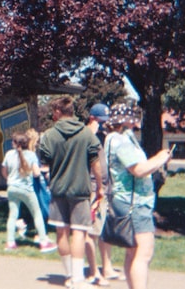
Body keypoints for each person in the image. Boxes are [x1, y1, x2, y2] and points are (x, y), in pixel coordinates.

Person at [39, 96, 104, 289]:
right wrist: (99, 187)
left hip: (58, 190)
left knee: (62, 231)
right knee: (79, 233)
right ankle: (77, 278)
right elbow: (96, 164)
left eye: (53, 111)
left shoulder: (49, 135)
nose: (52, 114)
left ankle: (69, 274)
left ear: (59, 111)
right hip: (81, 189)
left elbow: (45, 162)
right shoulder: (86, 134)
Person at [105, 103, 172, 289]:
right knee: (144, 253)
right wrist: (160, 158)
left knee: (133, 253)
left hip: (126, 201)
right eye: (133, 119)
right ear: (125, 120)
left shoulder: (116, 138)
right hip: (134, 204)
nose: (136, 123)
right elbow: (139, 170)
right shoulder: (120, 141)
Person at [84, 104, 123, 286]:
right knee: (92, 231)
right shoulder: (86, 136)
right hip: (93, 188)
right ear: (92, 118)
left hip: (105, 188)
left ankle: (107, 267)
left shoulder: (102, 137)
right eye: (101, 122)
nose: (104, 126)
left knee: (105, 230)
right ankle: (93, 272)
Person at [1, 132, 58, 253]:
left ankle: (10, 242)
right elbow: (36, 173)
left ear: (15, 144)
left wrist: (10, 179)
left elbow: (4, 171)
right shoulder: (31, 155)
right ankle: (43, 241)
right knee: (37, 214)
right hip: (26, 189)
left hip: (12, 187)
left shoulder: (9, 154)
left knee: (13, 215)